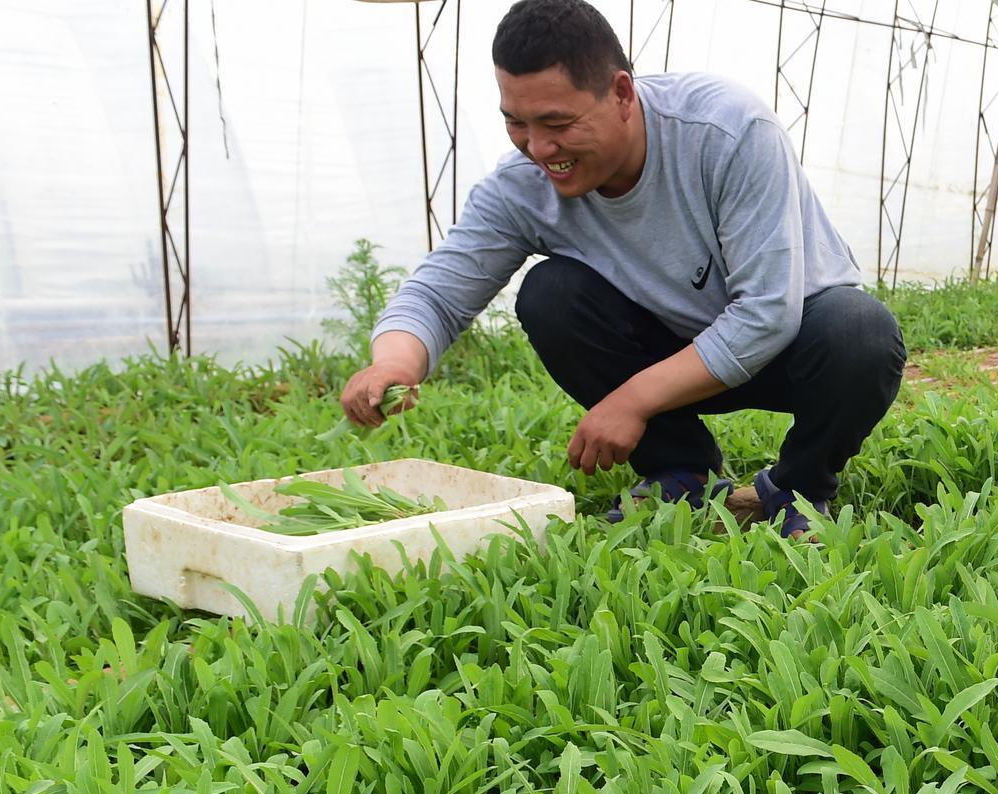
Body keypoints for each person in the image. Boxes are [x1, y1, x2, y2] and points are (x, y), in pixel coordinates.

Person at [340, 0, 906, 538]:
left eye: (557, 123)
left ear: (621, 93)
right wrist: (393, 361)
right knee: (550, 294)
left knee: (861, 331)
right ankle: (683, 474)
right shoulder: (524, 186)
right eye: (516, 121)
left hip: (791, 348)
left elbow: (765, 315)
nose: (538, 147)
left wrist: (631, 399)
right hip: (671, 354)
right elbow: (441, 290)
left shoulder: (726, 132)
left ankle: (797, 491)